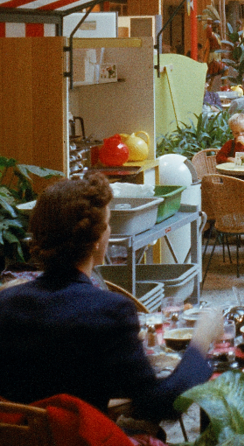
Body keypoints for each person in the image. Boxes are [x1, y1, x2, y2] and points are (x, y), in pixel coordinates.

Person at [0, 174, 221, 422]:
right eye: (107, 224)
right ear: (95, 241)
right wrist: (201, 343)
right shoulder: (109, 310)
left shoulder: (6, 302)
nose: (110, 230)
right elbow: (159, 404)